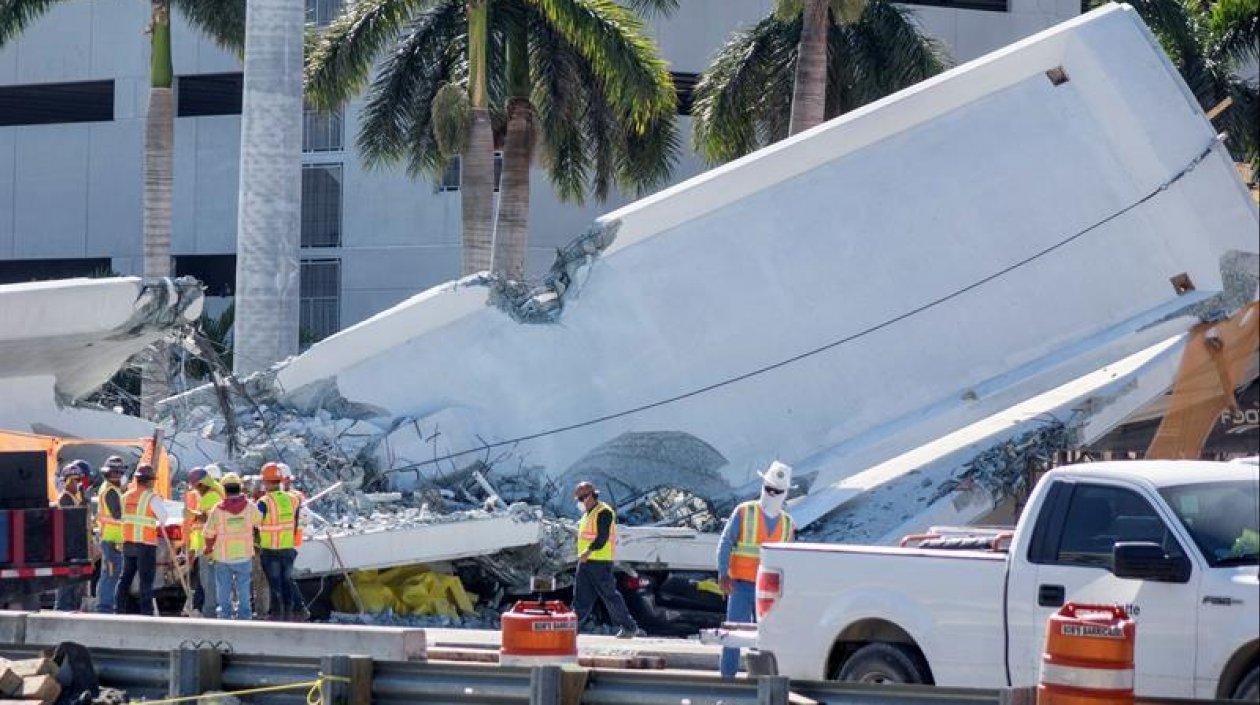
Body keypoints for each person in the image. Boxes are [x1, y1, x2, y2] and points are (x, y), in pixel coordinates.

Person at [716, 461, 795, 678]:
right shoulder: (744, 512)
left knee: (767, 639)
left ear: (784, 493)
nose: (771, 494)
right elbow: (725, 542)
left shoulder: (788, 524)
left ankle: (762, 682)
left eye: (776, 491)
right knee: (732, 637)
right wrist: (723, 573)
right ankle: (727, 681)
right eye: (768, 489)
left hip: (768, 592)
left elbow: (788, 561)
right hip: (740, 586)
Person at [571, 481, 638, 639]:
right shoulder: (588, 514)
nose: (579, 503)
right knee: (580, 598)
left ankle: (629, 627)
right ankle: (570, 629)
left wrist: (588, 551)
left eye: (581, 499)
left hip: (599, 562)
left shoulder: (604, 512)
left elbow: (602, 538)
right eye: (578, 500)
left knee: (609, 596)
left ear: (590, 496)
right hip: (586, 562)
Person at [203, 473, 262, 620]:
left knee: (223, 588)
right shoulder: (250, 507)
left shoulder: (218, 509)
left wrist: (209, 549)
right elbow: (259, 521)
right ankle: (245, 615)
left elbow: (208, 533)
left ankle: (225, 614)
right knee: (243, 587)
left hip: (223, 556)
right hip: (244, 555)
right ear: (240, 488)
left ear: (224, 489)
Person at [115, 463, 168, 615]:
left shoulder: (125, 497)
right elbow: (163, 518)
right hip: (145, 545)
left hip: (128, 543)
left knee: (125, 578)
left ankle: (118, 609)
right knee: (146, 581)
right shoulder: (152, 497)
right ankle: (146, 613)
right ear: (151, 481)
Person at [257, 462, 301, 621]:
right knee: (287, 581)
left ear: (266, 482)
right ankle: (291, 614)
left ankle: (277, 615)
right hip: (288, 547)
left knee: (275, 585)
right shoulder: (293, 499)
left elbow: (255, 522)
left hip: (271, 549)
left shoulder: (264, 502)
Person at [184, 466, 224, 618]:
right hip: (207, 544)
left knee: (208, 581)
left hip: (208, 545)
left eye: (196, 487)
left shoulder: (212, 496)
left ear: (201, 484)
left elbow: (210, 518)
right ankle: (205, 608)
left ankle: (209, 611)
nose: (196, 490)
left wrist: (191, 514)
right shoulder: (213, 493)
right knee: (206, 580)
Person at [53, 462, 89, 611]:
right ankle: (61, 611)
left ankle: (72, 609)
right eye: (76, 480)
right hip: (68, 548)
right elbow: (73, 521)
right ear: (67, 481)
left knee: (76, 585)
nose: (79, 484)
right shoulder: (65, 499)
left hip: (77, 546)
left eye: (80, 480)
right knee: (67, 585)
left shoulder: (76, 498)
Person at [94, 456, 128, 614]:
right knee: (111, 574)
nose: (119, 476)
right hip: (112, 539)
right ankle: (104, 607)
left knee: (109, 573)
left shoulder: (107, 488)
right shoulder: (112, 491)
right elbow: (118, 515)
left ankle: (104, 606)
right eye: (117, 473)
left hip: (110, 538)